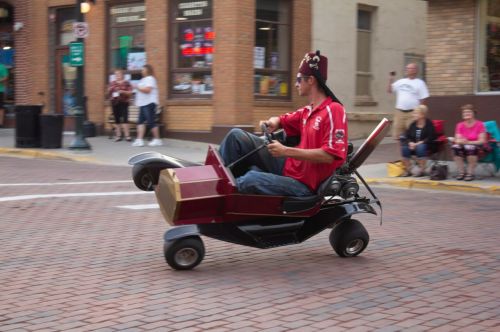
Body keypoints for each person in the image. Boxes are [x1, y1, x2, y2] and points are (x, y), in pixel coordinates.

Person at [219, 51, 348, 196]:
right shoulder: (307, 111)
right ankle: (212, 182)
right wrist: (272, 122)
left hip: (304, 185)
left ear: (311, 80)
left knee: (250, 179)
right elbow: (281, 120)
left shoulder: (334, 110)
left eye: (299, 79)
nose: (295, 84)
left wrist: (285, 151)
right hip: (289, 167)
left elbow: (329, 156)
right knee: (236, 136)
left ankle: (220, 198)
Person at [387, 63, 429, 140]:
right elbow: (389, 90)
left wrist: (420, 112)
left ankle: (412, 151)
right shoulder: (401, 81)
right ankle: (401, 152)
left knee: (412, 135)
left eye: (411, 68)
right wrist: (390, 79)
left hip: (412, 113)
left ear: (416, 70)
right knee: (398, 136)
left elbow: (423, 98)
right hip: (399, 112)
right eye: (407, 68)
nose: (409, 70)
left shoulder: (420, 83)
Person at [451, 104, 487, 181]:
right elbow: (457, 140)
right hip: (463, 146)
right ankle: (462, 172)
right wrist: (461, 141)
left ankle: (470, 173)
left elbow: (482, 140)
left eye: (469, 112)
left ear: (474, 113)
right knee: (455, 147)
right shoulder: (459, 125)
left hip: (477, 147)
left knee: (470, 148)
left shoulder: (480, 124)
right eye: (464, 112)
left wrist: (469, 142)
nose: (466, 114)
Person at [399, 105, 436, 177]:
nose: (413, 115)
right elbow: (407, 135)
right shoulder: (413, 124)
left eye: (415, 113)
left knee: (420, 147)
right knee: (405, 148)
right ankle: (408, 170)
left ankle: (421, 170)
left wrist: (418, 144)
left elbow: (431, 137)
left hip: (427, 145)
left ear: (422, 115)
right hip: (414, 145)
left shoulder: (429, 124)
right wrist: (410, 143)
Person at [132, 64, 162, 147]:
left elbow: (148, 90)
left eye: (143, 69)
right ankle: (139, 140)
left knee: (151, 121)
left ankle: (157, 140)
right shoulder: (143, 80)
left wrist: (137, 87)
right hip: (143, 103)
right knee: (140, 122)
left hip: (149, 103)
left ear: (148, 70)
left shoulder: (150, 79)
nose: (141, 71)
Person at [107, 69, 133, 142]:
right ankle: (118, 136)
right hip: (115, 103)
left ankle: (127, 136)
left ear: (122, 75)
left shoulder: (126, 83)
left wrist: (122, 91)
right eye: (116, 74)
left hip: (124, 102)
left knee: (125, 119)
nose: (117, 76)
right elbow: (108, 93)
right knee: (117, 119)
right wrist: (110, 90)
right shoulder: (112, 83)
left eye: (118, 74)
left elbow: (130, 93)